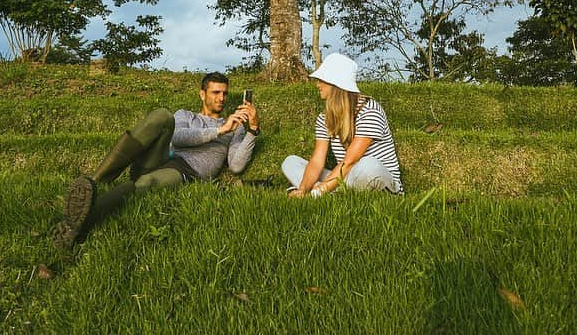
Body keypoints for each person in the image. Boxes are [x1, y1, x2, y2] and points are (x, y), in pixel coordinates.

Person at [53, 71, 259, 250]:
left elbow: (237, 166)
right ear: (202, 94)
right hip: (162, 157)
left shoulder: (234, 128)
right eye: (216, 92)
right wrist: (218, 130)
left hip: (185, 171)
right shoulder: (186, 116)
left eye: (225, 93)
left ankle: (79, 222)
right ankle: (94, 182)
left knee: (145, 184)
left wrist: (252, 130)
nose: (221, 98)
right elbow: (177, 137)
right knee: (162, 115)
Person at [282, 53, 402, 197]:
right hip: (345, 178)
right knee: (290, 163)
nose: (318, 85)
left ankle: (325, 193)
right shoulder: (324, 118)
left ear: (335, 84)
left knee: (368, 165)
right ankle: (330, 192)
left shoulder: (370, 111)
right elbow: (317, 161)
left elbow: (350, 161)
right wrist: (302, 189)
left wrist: (318, 192)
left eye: (322, 80)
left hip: (378, 181)